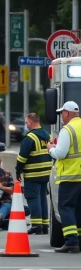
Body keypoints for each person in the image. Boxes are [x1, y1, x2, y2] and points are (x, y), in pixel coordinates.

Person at [47, 101, 81, 253]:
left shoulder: (67, 130)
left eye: (61, 113)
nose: (61, 116)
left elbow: (60, 153)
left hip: (70, 176)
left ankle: (71, 241)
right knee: (79, 210)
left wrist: (50, 149)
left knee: (65, 208)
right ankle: (78, 240)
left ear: (66, 113)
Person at [16, 113, 52, 235]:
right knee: (42, 198)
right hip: (46, 172)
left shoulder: (30, 138)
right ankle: (44, 224)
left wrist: (17, 170)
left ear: (31, 122)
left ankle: (36, 225)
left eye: (26, 123)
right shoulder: (47, 135)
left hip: (33, 173)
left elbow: (22, 157)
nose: (26, 125)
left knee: (32, 198)